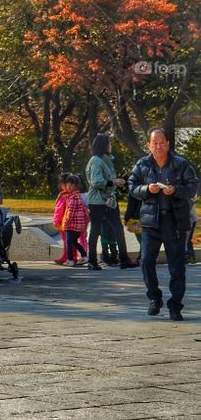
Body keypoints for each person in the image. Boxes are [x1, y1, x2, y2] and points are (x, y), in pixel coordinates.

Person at [129, 127, 199, 320]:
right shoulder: (142, 164)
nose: (158, 146)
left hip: (175, 221)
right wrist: (146, 189)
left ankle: (175, 305)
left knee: (176, 266)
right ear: (148, 145)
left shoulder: (181, 164)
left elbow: (192, 187)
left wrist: (175, 190)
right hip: (151, 221)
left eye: (162, 142)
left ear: (168, 144)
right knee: (146, 261)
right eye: (154, 143)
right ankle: (154, 298)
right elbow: (132, 186)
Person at [85, 134, 137, 271]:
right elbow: (96, 182)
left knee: (118, 229)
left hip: (110, 201)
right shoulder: (96, 161)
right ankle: (92, 261)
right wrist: (113, 182)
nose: (111, 145)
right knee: (95, 230)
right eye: (109, 143)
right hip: (97, 201)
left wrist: (116, 182)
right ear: (103, 145)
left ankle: (124, 259)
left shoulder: (107, 160)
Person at [53, 172, 89, 265]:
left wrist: (65, 223)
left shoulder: (72, 198)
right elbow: (85, 211)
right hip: (79, 225)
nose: (68, 187)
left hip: (71, 225)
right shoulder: (78, 196)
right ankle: (84, 256)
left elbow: (70, 212)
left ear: (76, 186)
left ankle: (70, 260)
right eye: (67, 184)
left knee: (69, 242)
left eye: (71, 185)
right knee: (74, 241)